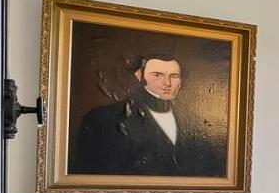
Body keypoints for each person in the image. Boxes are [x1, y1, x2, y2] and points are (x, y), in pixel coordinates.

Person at [70, 54, 224, 177]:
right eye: (158, 75)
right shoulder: (103, 118)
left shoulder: (196, 122)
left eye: (174, 76)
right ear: (140, 76)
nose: (167, 83)